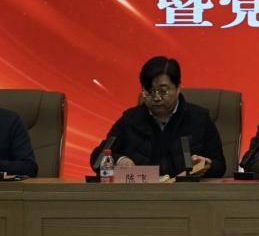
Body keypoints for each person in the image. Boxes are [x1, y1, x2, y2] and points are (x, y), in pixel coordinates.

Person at [89, 56, 226, 177]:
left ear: (178, 88)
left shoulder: (199, 119)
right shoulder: (130, 119)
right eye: (149, 91)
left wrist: (207, 165)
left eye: (163, 91)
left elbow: (220, 166)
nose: (156, 98)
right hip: (142, 194)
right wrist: (120, 160)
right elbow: (97, 159)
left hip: (186, 194)